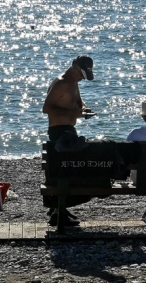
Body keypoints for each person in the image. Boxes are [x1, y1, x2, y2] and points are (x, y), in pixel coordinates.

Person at [41, 55, 96, 226]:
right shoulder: (61, 83)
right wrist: (74, 114)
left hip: (69, 129)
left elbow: (77, 100)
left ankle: (59, 208)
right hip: (59, 131)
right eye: (81, 74)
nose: (82, 78)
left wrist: (84, 109)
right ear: (74, 67)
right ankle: (58, 212)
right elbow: (46, 108)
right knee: (68, 171)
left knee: (67, 170)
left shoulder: (73, 82)